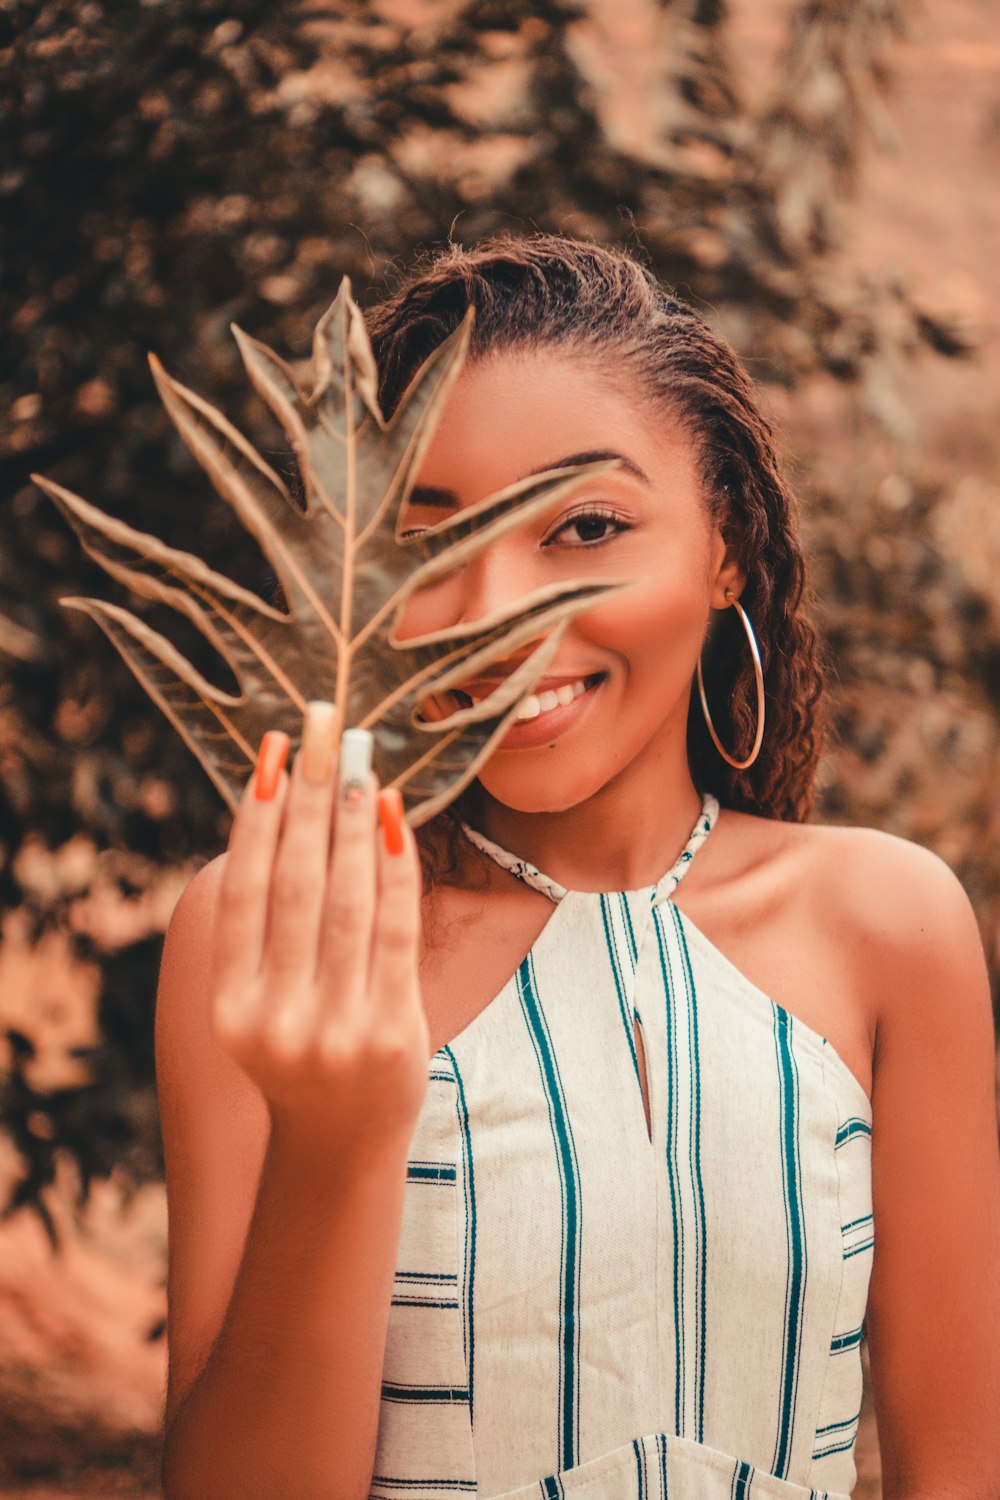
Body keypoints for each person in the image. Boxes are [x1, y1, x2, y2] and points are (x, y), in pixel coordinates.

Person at [154, 236, 1000, 1500]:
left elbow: (961, 1472)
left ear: (725, 548)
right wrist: (341, 1136)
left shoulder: (887, 924)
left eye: (584, 527)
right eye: (426, 545)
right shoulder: (280, 927)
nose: (498, 616)